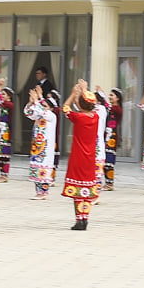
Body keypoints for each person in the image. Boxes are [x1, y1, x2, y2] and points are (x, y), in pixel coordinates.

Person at [60, 81, 103, 230]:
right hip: (90, 158)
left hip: (78, 157)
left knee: (78, 188)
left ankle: (79, 220)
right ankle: (85, 218)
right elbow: (86, 108)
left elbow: (65, 108)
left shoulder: (78, 118)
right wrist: (84, 91)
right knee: (86, 188)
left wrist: (73, 94)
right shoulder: (95, 117)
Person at [24, 87, 58, 198]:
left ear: (51, 108)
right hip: (36, 147)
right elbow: (28, 113)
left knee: (44, 167)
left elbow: (41, 111)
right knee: (36, 167)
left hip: (46, 148)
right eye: (42, 106)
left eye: (46, 106)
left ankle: (44, 192)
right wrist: (31, 103)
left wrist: (37, 99)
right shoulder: (39, 115)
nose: (43, 108)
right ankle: (38, 192)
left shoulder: (51, 116)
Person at [101, 87, 123, 192]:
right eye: (109, 95)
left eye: (111, 95)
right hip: (106, 135)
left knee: (109, 160)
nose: (110, 97)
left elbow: (107, 106)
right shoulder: (110, 108)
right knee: (104, 160)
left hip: (112, 138)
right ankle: (107, 182)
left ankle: (110, 183)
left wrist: (102, 95)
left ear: (117, 98)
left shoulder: (117, 109)